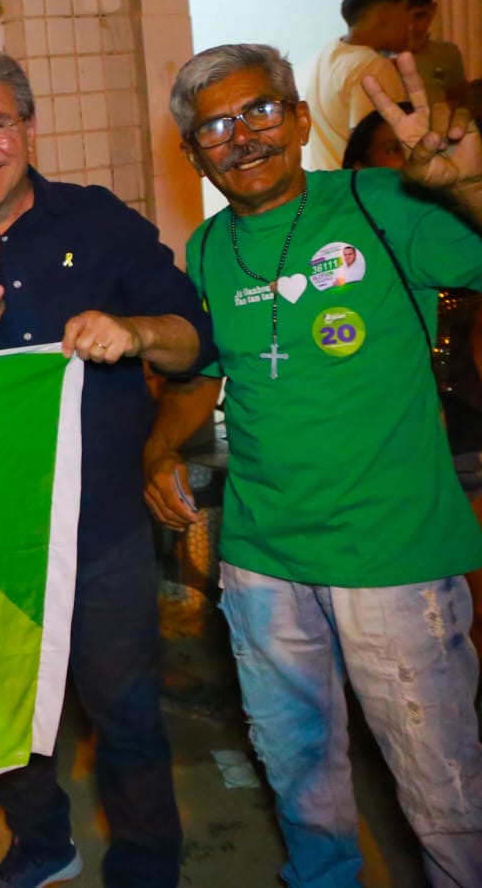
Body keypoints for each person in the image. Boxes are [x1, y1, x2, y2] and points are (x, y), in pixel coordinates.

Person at [0, 51, 208, 888]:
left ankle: (147, 859)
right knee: (9, 715)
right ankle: (41, 846)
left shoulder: (98, 222)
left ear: (27, 127)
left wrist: (133, 330)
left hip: (102, 528)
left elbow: (193, 339)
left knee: (125, 708)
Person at [146, 44, 482, 888]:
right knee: (298, 774)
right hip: (263, 563)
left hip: (390, 559)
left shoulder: (381, 203)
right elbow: (205, 380)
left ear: (299, 120)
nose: (242, 137)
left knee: (442, 789)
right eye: (214, 127)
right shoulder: (209, 250)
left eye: (260, 111)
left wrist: (468, 187)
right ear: (194, 154)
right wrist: (156, 448)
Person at [298, 0, 411, 171]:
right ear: (384, 14)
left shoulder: (328, 54)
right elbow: (373, 147)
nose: (410, 27)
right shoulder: (372, 67)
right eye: (405, 14)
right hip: (357, 191)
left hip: (329, 186)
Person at [395, 0, 469, 105]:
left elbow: (460, 102)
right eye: (403, 17)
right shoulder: (379, 57)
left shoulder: (448, 53)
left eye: (419, 16)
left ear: (433, 10)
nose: (411, 26)